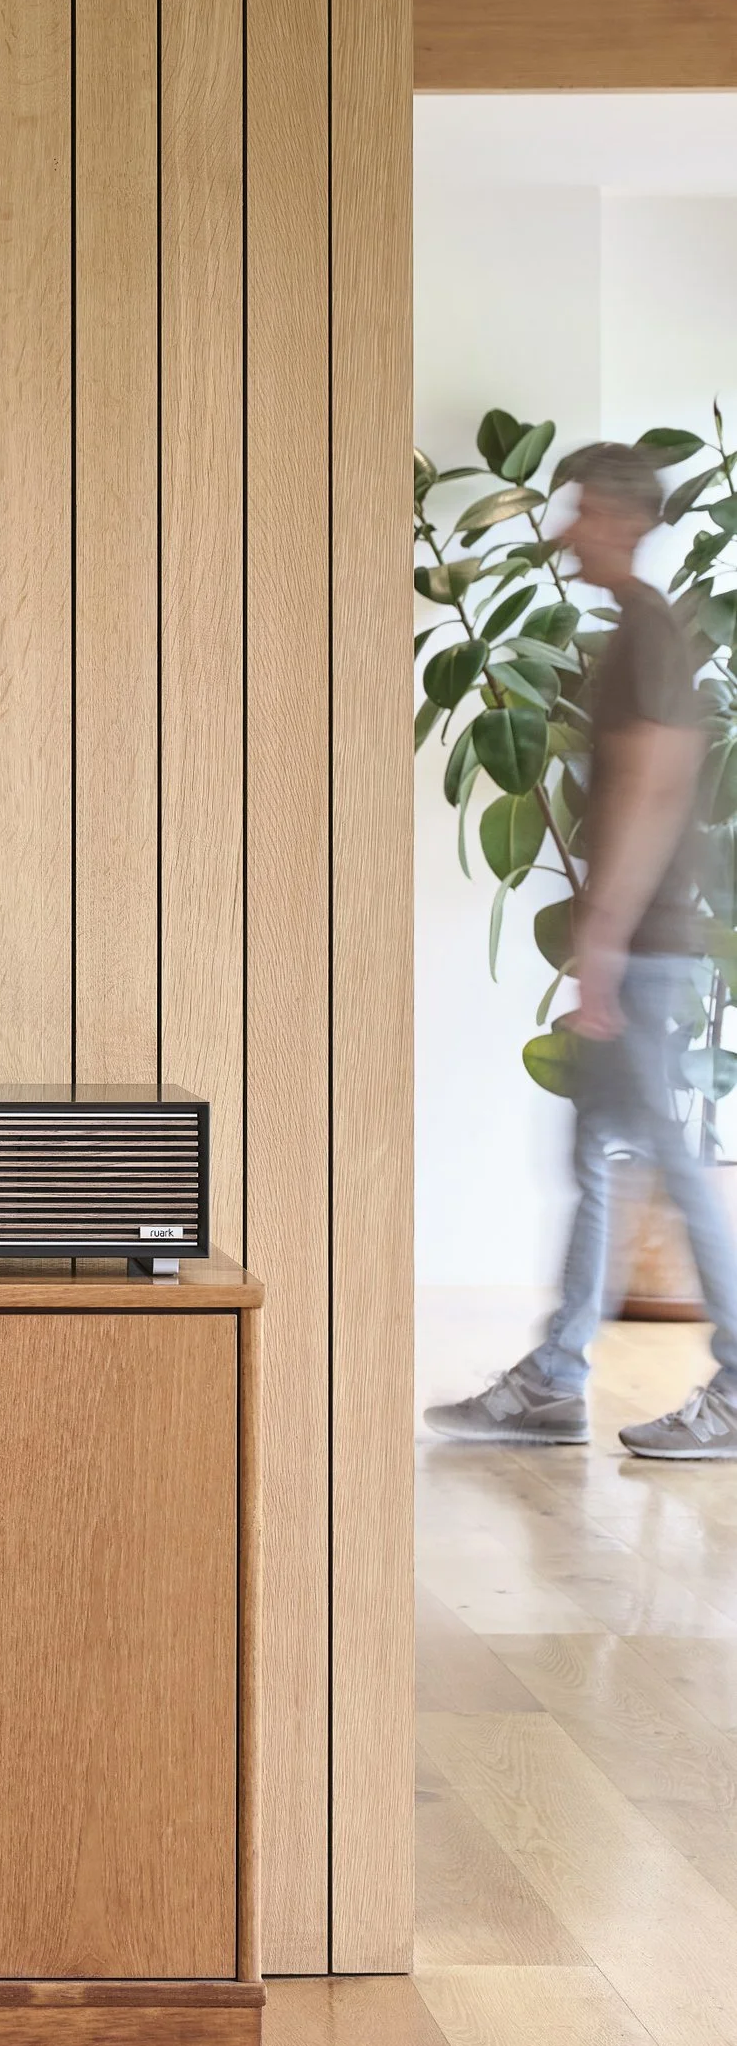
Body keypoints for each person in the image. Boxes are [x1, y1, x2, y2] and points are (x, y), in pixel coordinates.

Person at [428, 438, 737, 1458]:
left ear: (622, 521)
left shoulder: (648, 634)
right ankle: (556, 1377)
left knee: (669, 1169)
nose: (560, 532)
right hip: (634, 951)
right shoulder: (631, 635)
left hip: (644, 954)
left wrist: (599, 949)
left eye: (578, 512)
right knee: (594, 1158)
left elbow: (651, 794)